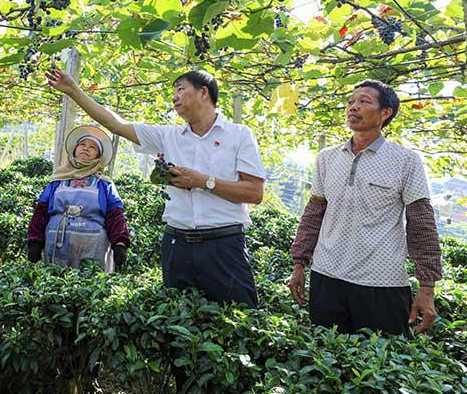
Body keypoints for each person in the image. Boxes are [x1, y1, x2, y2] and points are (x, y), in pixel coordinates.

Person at [45, 68, 265, 307]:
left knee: (238, 317)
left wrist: (203, 182)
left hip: (223, 245)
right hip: (177, 245)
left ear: (204, 93)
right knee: (176, 321)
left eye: (181, 89)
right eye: (174, 91)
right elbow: (116, 124)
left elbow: (254, 192)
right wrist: (74, 91)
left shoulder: (239, 135)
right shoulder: (167, 136)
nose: (175, 97)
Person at [288, 80, 442, 336]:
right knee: (327, 361)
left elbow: (422, 225)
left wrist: (427, 288)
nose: (354, 107)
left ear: (385, 113)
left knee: (379, 366)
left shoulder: (405, 161)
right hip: (327, 278)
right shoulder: (327, 158)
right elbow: (314, 214)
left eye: (364, 101)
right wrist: (299, 265)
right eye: (351, 101)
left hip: (381, 284)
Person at [27, 125, 130, 272]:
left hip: (94, 248)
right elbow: (41, 212)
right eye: (82, 144)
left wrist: (120, 243)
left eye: (93, 147)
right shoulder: (57, 180)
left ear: (98, 156)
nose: (86, 148)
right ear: (74, 149)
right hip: (57, 245)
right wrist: (35, 241)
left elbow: (115, 215)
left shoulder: (104, 184)